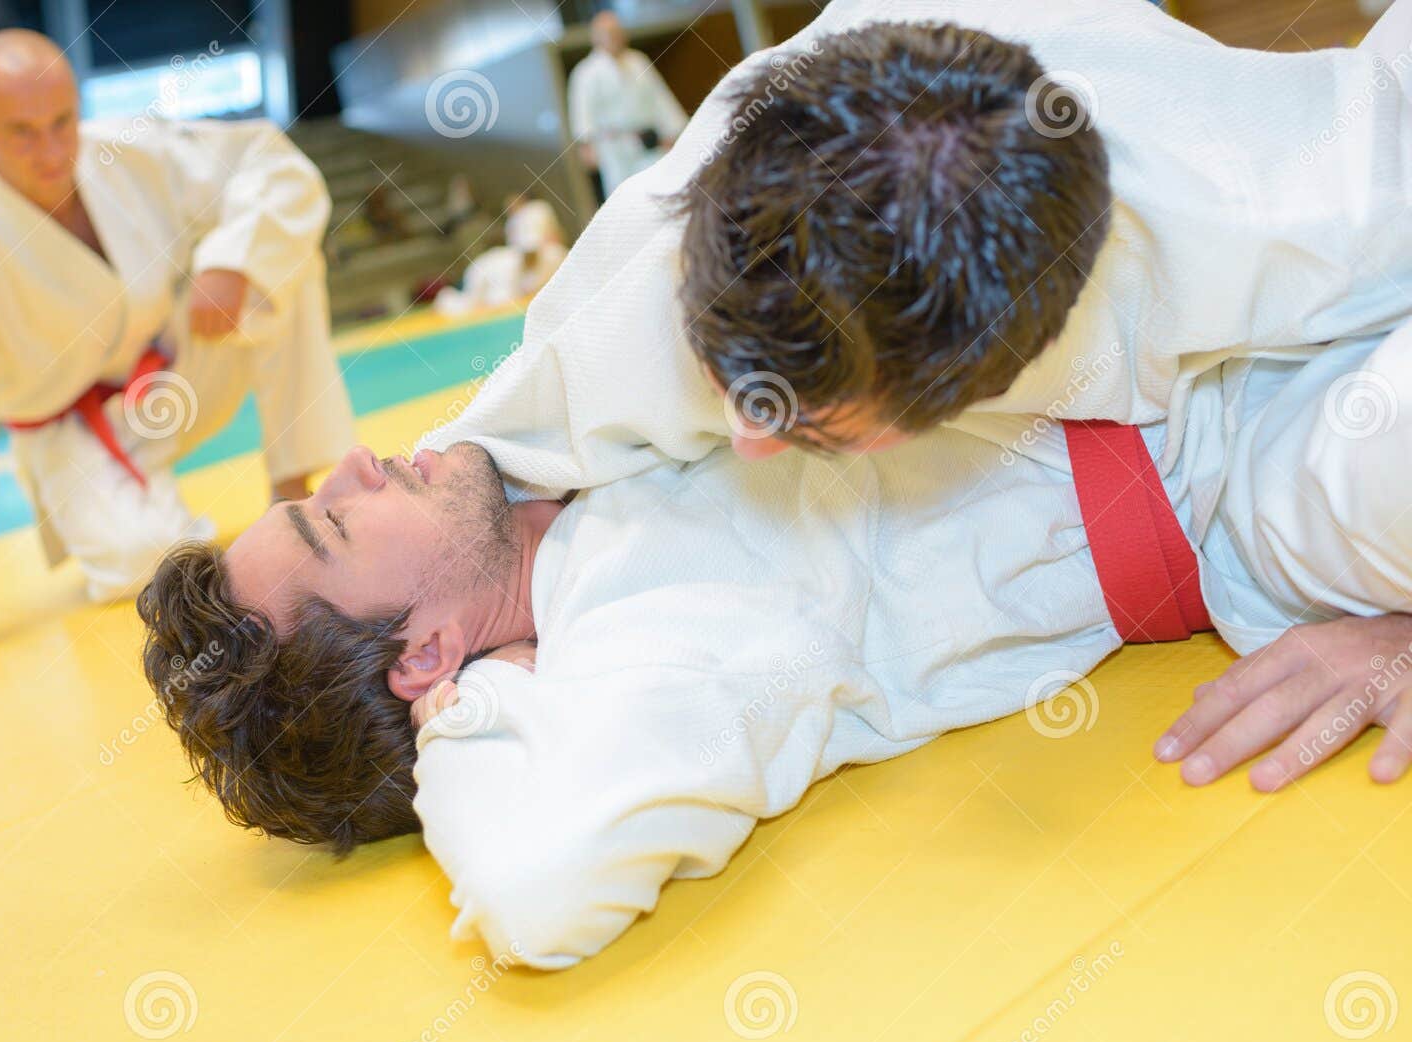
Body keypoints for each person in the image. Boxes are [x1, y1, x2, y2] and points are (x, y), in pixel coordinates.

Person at [135, 322, 1412, 969]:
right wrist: (473, 717)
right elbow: (536, 890)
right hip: (1253, 473)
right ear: (418, 654)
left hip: (1194, 310)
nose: (359, 462)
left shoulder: (535, 446)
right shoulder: (638, 637)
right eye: (334, 521)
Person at [423, 0, 1412, 797]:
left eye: (798, 414)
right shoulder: (735, 185)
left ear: (975, 386)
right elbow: (530, 414)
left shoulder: (1305, 214)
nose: (741, 437)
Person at [0, 29, 353, 664]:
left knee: (279, 264)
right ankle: (131, 519)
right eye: (22, 131)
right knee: (148, 565)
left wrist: (233, 262)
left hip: (173, 371)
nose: (51, 151)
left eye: (62, 121)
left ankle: (290, 488)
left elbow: (275, 168)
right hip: (72, 431)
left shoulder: (125, 152)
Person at [567, 11, 689, 199]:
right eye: (607, 32)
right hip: (613, 147)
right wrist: (586, 145)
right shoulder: (586, 72)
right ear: (595, 37)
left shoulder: (638, 61)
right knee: (625, 197)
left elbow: (659, 97)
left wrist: (672, 132)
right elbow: (582, 112)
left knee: (662, 189)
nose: (614, 37)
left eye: (617, 32)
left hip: (648, 140)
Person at [433, 196, 567, 317]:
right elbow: (500, 301)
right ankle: (447, 296)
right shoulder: (507, 264)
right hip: (483, 273)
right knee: (471, 303)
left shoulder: (555, 255)